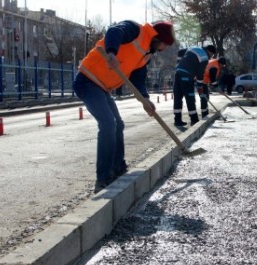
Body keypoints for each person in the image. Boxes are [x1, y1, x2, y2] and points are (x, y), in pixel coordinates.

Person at [72, 20, 175, 193]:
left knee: (118, 124)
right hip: (87, 80)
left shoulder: (146, 54)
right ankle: (103, 178)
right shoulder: (135, 30)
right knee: (108, 124)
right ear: (159, 38)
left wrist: (145, 99)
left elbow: (138, 79)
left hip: (103, 88)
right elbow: (114, 31)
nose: (165, 49)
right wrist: (111, 52)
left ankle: (118, 168)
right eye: (166, 44)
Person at [173, 45, 216, 126]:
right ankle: (194, 119)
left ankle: (177, 120)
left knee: (178, 98)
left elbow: (181, 52)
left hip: (177, 73)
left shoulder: (194, 48)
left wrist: (180, 64)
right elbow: (200, 74)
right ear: (209, 52)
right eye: (212, 55)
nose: (211, 57)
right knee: (190, 98)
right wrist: (200, 86)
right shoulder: (204, 57)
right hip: (187, 76)